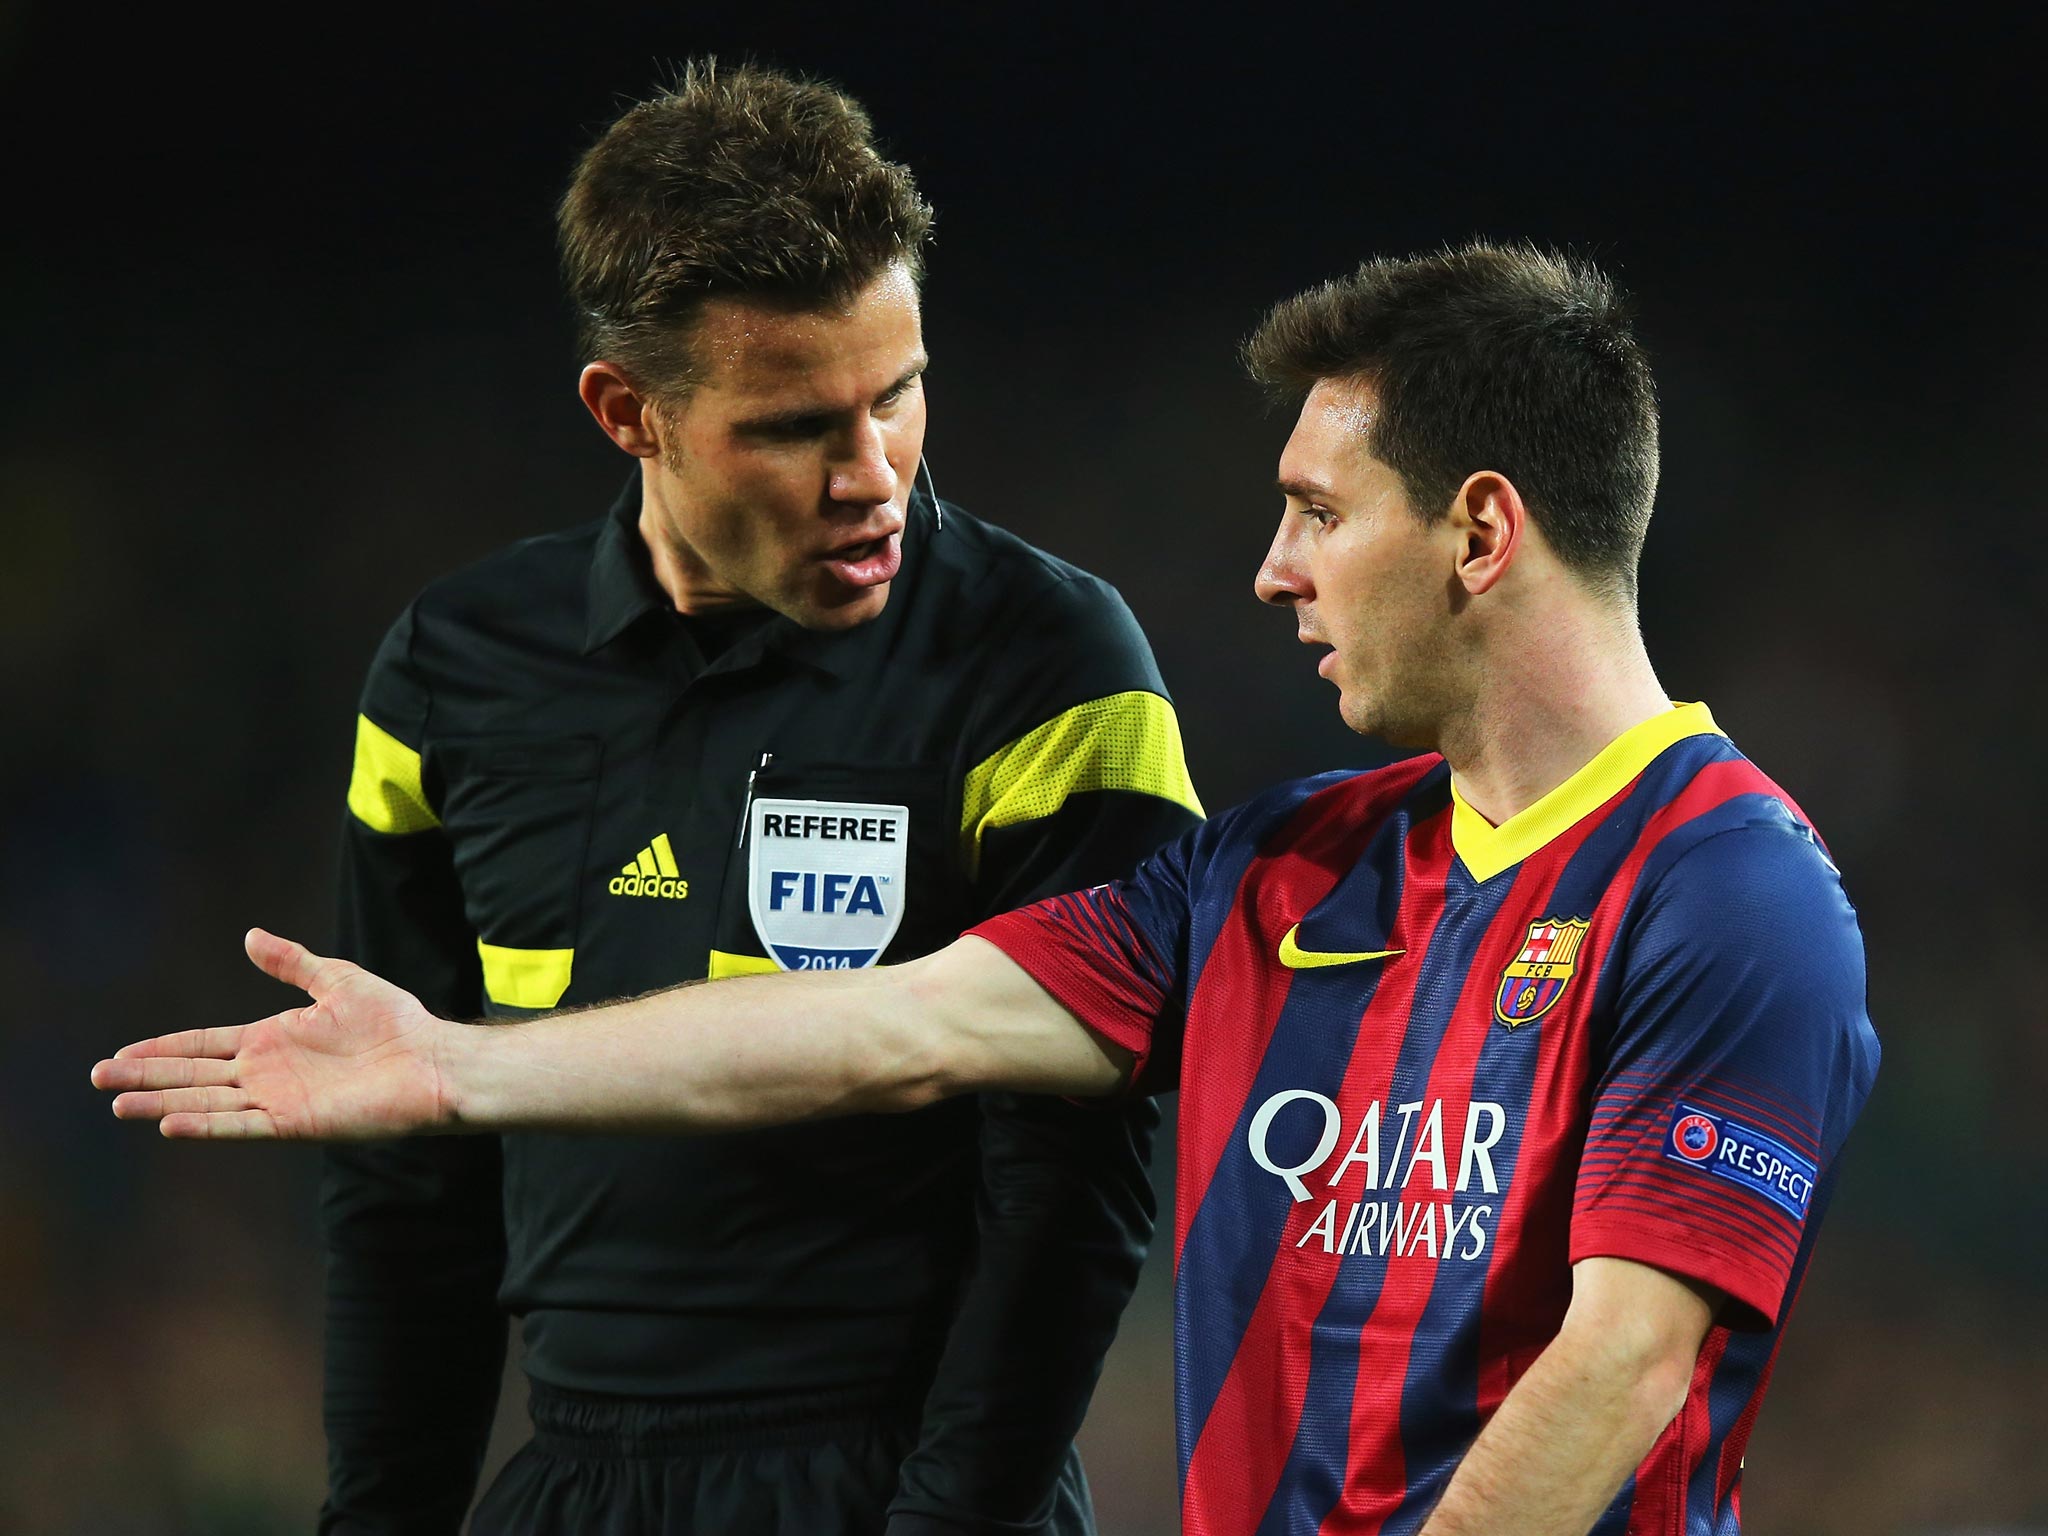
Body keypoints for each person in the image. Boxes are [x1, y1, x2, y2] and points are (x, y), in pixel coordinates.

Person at [96, 243, 1879, 1536]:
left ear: (1481, 533)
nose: (1271, 571)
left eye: (1320, 513)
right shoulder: (1284, 872)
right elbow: (892, 1023)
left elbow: (1628, 1362)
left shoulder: (1730, 893)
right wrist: (469, 1067)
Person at [262, 60, 1204, 1536]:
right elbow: (404, 1186)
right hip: (567, 1481)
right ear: (625, 410)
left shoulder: (1049, 661)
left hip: (906, 1483)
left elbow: (1074, 1190)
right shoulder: (454, 671)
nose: (873, 472)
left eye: (899, 395)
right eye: (793, 427)